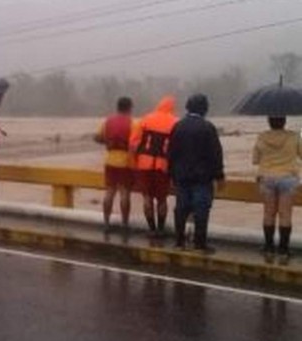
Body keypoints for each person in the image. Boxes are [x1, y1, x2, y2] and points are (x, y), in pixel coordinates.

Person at [168, 94, 225, 253]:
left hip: (182, 177)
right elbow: (216, 154)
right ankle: (200, 244)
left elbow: (171, 153)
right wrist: (219, 176)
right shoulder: (208, 128)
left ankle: (179, 242)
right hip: (202, 178)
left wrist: (171, 175)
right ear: (204, 109)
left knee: (181, 208)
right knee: (201, 209)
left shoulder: (178, 126)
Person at [252, 116, 302, 262]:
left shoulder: (262, 137)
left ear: (269, 121)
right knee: (285, 214)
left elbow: (255, 160)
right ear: (284, 121)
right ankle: (284, 250)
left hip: (267, 178)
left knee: (269, 213)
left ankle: (268, 247)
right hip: (287, 178)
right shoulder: (294, 136)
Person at [130, 96, 178, 237]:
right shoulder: (176, 122)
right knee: (162, 199)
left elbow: (133, 143)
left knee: (147, 198)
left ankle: (151, 229)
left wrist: (135, 162)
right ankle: (161, 230)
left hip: (144, 164)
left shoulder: (145, 119)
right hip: (163, 166)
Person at [94, 97, 135, 233]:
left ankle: (106, 223)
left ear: (117, 107)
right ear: (129, 108)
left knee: (110, 192)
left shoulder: (108, 121)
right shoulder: (132, 123)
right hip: (126, 162)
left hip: (110, 160)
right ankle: (124, 224)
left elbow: (97, 137)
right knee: (124, 193)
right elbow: (136, 143)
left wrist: (107, 142)